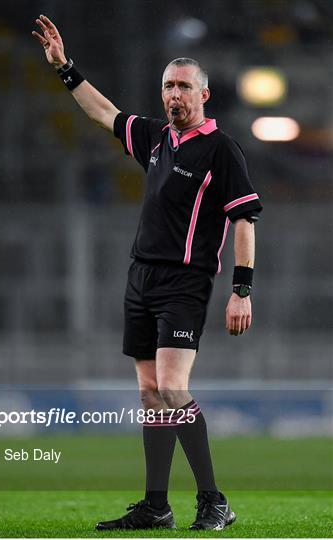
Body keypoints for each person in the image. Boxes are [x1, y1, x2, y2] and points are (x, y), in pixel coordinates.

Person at [32, 14, 262, 532]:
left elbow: (244, 220)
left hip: (185, 281)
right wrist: (65, 68)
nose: (173, 94)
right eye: (167, 86)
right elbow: (105, 113)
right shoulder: (158, 140)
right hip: (141, 279)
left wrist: (241, 290)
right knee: (149, 393)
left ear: (203, 94)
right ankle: (156, 505)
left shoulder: (221, 150)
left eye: (183, 86)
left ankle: (213, 500)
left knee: (174, 388)